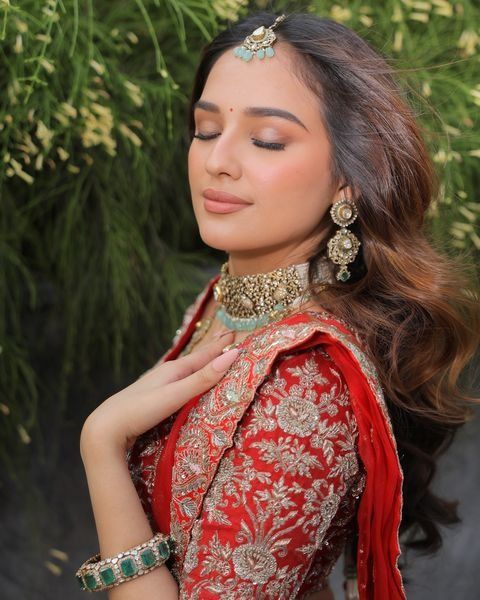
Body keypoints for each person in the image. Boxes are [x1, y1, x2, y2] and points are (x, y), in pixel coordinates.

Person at [75, 11, 479, 600]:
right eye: (206, 129)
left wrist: (102, 445)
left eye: (266, 139)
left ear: (348, 179)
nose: (218, 161)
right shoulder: (223, 303)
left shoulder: (305, 380)